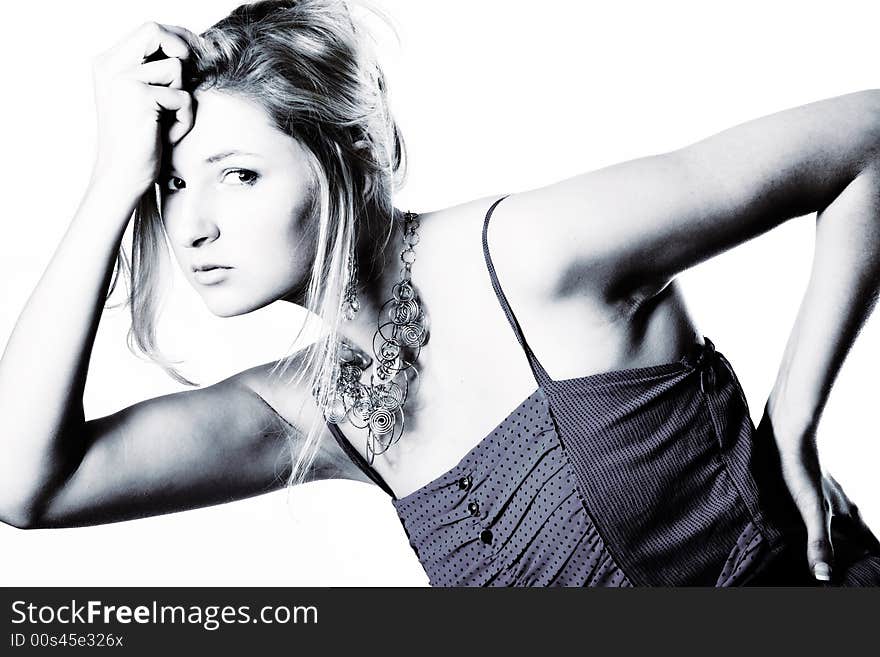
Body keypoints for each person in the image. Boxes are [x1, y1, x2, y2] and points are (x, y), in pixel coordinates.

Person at [0, 0, 878, 586]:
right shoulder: (319, 408)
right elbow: (26, 486)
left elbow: (869, 139)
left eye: (236, 174)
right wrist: (115, 174)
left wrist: (795, 415)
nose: (192, 228)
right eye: (170, 187)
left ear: (346, 156)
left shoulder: (528, 255)